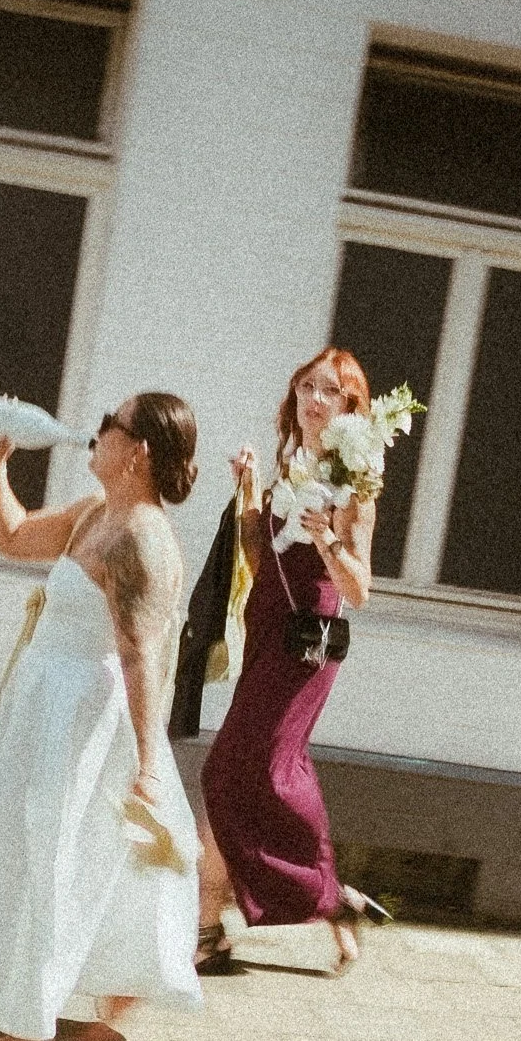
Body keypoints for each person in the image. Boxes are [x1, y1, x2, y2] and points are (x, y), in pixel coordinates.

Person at [0, 392, 205, 1041]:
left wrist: (149, 764)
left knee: (46, 857)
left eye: (109, 427)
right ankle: (113, 986)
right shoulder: (98, 514)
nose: (95, 433)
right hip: (46, 698)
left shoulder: (140, 537)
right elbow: (13, 535)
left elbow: (141, 655)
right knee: (43, 844)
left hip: (79, 714)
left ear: (139, 450)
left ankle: (29, 1034)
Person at [195, 348, 392, 978]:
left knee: (243, 767)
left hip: (310, 633)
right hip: (267, 622)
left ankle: (303, 899)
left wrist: (329, 537)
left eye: (330, 391)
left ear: (351, 408)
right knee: (248, 770)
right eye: (307, 386)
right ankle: (295, 908)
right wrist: (248, 489)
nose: (314, 399)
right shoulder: (290, 464)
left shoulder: (354, 481)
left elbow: (359, 589)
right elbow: (256, 551)